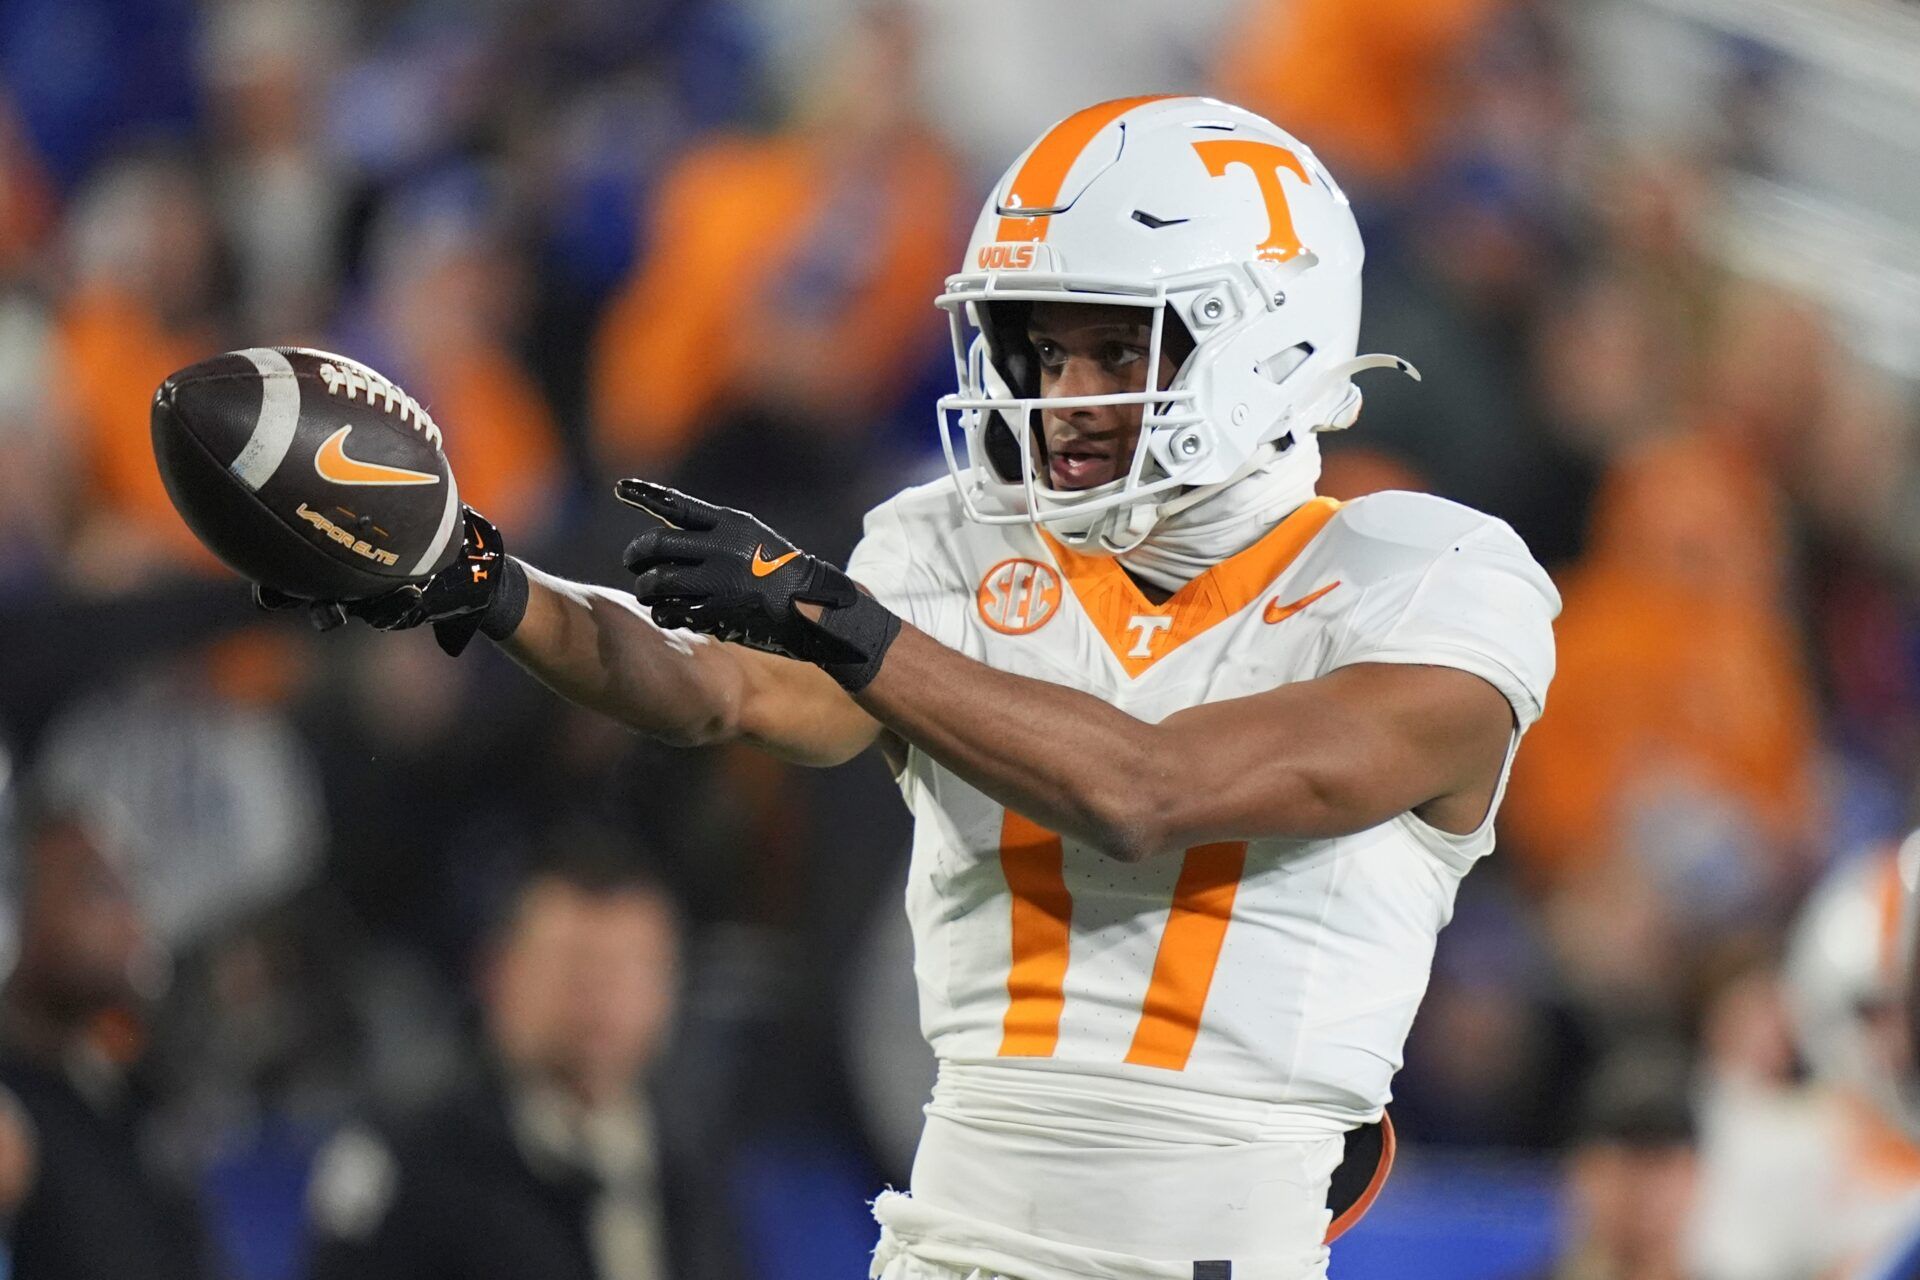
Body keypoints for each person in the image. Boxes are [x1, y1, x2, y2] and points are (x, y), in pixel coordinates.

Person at [258, 96, 1560, 1278]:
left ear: (1269, 337)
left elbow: (1150, 788)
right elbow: (717, 689)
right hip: (945, 1242)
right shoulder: (956, 547)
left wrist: (842, 621)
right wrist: (485, 581)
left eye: (1118, 351)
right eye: (1043, 352)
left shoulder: (1429, 580)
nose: (1066, 398)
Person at [303, 846, 735, 1280]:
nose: (600, 996)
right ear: (497, 973)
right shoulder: (408, 1156)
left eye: (628, 967)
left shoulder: (691, 1151)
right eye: (573, 965)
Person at [0, 800, 218, 1280]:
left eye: (130, 887)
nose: (131, 917)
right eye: (99, 890)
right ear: (16, 910)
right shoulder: (12, 1116)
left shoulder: (130, 1090)